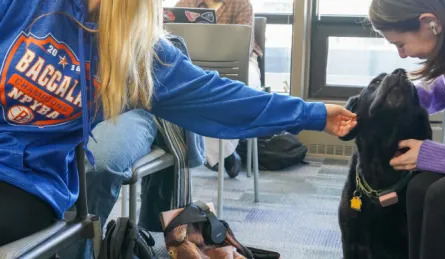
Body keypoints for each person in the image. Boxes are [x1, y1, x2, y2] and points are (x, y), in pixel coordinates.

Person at [0, 0, 357, 251]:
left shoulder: (141, 55)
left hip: (26, 182)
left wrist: (315, 115)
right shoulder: (28, 6)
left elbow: (226, 100)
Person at [368, 0, 445, 258]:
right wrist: (390, 101)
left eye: (400, 44)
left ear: (430, 23)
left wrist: (431, 154)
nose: (402, 55)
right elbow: (439, 91)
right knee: (420, 187)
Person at [175, 0, 264, 177]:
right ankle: (225, 153)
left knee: (232, 90)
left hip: (238, 61)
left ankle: (220, 152)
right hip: (196, 63)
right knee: (186, 92)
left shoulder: (241, 4)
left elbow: (243, 45)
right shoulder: (184, 4)